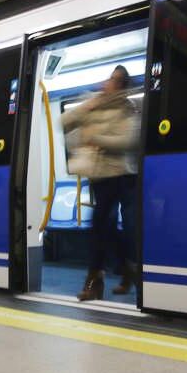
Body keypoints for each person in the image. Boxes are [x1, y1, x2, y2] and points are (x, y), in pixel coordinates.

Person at [61, 65, 140, 301]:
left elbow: (128, 140)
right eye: (109, 78)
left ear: (122, 85)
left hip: (121, 176)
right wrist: (87, 106)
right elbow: (64, 121)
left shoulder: (127, 108)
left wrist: (95, 138)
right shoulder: (94, 104)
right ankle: (128, 270)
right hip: (98, 175)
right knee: (106, 228)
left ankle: (95, 282)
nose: (108, 83)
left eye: (114, 80)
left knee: (101, 227)